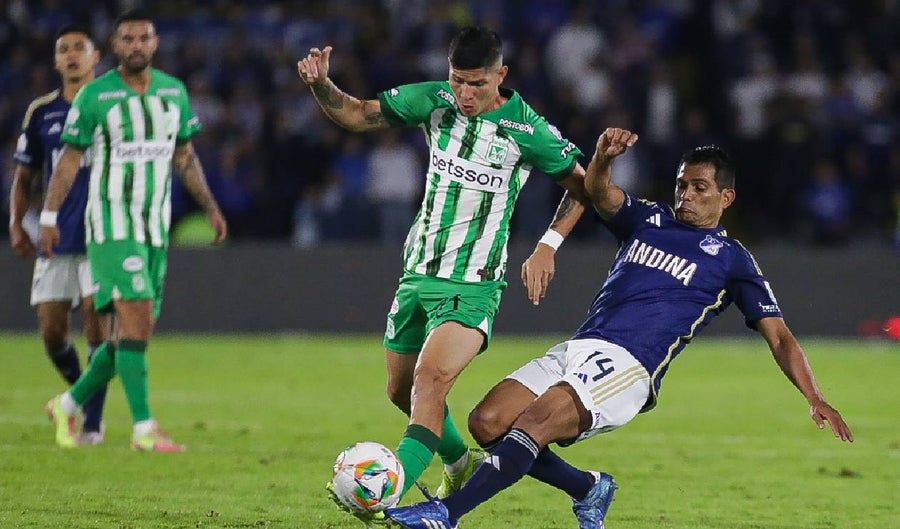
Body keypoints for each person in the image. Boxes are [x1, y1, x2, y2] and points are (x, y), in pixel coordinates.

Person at [385, 129, 854, 529]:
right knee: (487, 422)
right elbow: (597, 191)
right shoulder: (648, 219)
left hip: (629, 366)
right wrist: (604, 157)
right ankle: (587, 487)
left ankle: (445, 515)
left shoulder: (733, 260)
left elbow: (780, 337)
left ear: (725, 198)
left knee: (535, 423)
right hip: (580, 345)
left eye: (699, 188)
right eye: (682, 185)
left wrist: (815, 396)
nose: (686, 196)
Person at [297, 26, 591, 525]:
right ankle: (458, 464)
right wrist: (322, 85)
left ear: (501, 75)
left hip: (473, 284)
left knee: (429, 382)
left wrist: (548, 245)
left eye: (477, 84)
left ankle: (388, 491)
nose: (465, 94)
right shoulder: (434, 102)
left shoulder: (526, 129)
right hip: (417, 274)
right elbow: (358, 114)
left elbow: (583, 186)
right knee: (400, 390)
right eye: (458, 81)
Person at [39, 8, 228, 452]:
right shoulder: (95, 96)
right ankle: (144, 428)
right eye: (128, 39)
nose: (136, 46)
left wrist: (211, 207)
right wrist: (48, 216)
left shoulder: (173, 92)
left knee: (131, 333)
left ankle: (67, 404)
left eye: (144, 38)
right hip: (111, 225)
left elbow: (184, 156)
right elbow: (69, 161)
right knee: (136, 317)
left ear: (155, 42)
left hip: (154, 228)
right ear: (115, 46)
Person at [8, 24, 111, 445]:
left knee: (96, 325)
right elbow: (24, 176)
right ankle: (79, 397)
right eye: (63, 49)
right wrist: (16, 222)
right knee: (52, 333)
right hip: (56, 235)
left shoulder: (111, 106)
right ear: (55, 60)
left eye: (79, 48)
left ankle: (92, 426)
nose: (71, 55)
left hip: (102, 233)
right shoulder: (41, 112)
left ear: (95, 56)